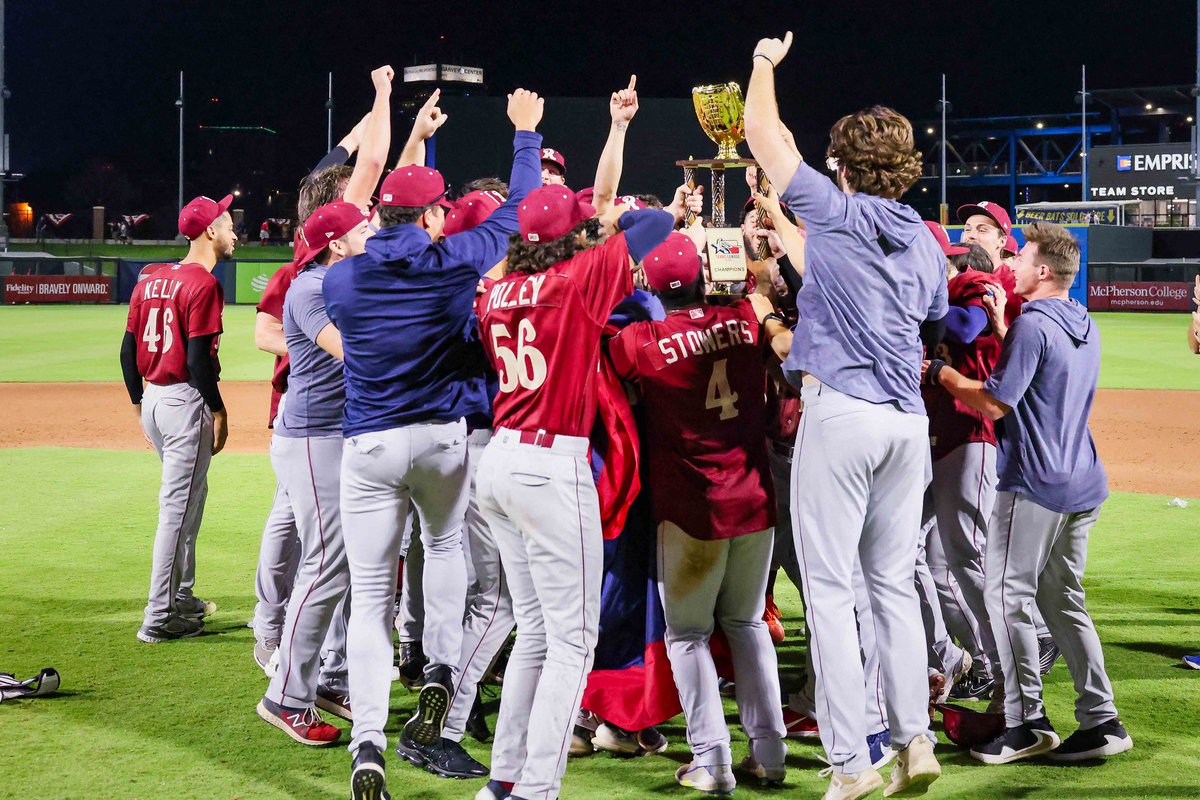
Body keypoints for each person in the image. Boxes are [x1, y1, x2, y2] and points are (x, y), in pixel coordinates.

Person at [324, 88, 545, 800]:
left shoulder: (342, 279)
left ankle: (366, 742)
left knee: (369, 597)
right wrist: (523, 136)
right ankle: (444, 673)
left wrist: (408, 139)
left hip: (368, 445)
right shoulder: (453, 262)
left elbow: (362, 228)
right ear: (429, 213)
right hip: (442, 439)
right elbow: (518, 213)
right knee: (445, 550)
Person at [745, 31, 946, 800]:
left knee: (829, 592)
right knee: (891, 585)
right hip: (905, 427)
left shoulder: (834, 208)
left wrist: (765, 61)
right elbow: (924, 326)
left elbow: (764, 132)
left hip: (843, 414)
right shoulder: (928, 242)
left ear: (843, 163)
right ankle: (914, 739)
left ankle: (849, 764)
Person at [473, 186, 673, 800]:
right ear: (569, 238)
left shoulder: (496, 291)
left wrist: (584, 229)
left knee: (535, 630)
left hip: (500, 459)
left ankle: (503, 779)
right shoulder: (578, 277)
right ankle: (537, 788)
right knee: (571, 642)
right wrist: (606, 222)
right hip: (550, 465)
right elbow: (658, 221)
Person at [925, 221, 1132, 764]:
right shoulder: (1082, 320)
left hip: (1036, 483)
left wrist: (942, 372)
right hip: (1084, 479)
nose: (1010, 266)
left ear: (1042, 271)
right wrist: (1000, 324)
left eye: (1022, 261)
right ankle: (1102, 719)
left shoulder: (1032, 327)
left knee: (1005, 597)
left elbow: (995, 402)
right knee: (1063, 600)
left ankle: (1025, 723)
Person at [605, 232, 786, 794]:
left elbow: (605, 344)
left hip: (691, 507)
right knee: (748, 623)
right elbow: (758, 297)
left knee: (687, 635)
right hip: (754, 497)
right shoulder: (743, 319)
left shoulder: (641, 339)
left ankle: (712, 760)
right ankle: (770, 753)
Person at [255, 65, 393, 747]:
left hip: (337, 433)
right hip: (310, 436)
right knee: (328, 560)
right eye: (359, 227)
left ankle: (319, 675)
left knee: (343, 560)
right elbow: (356, 354)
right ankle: (285, 691)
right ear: (336, 239)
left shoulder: (342, 272)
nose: (369, 229)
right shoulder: (312, 288)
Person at [119, 194, 236, 643]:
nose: (233, 232)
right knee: (176, 511)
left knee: (189, 502)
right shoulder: (203, 284)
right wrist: (219, 409)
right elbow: (198, 360)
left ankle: (180, 597)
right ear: (209, 231)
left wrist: (138, 402)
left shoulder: (149, 277)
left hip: (154, 399)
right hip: (185, 400)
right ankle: (159, 616)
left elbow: (129, 349)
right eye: (227, 224)